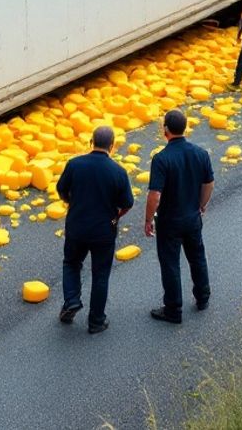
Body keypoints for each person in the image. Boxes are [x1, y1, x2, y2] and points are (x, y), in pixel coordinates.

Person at [55, 125, 134, 334]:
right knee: (100, 275)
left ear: (91, 142)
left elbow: (61, 189)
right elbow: (127, 203)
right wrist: (116, 216)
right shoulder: (118, 171)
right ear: (112, 145)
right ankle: (96, 321)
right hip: (104, 231)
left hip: (77, 226)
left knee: (71, 263)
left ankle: (71, 299)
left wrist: (71, 202)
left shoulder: (75, 164)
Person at [144, 109, 214, 324]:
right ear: (185, 128)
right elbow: (209, 183)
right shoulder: (200, 154)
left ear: (165, 130)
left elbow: (155, 195)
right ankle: (202, 297)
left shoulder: (161, 159)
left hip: (169, 221)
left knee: (171, 264)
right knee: (197, 257)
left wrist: (148, 220)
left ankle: (173, 309)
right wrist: (201, 205)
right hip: (192, 217)